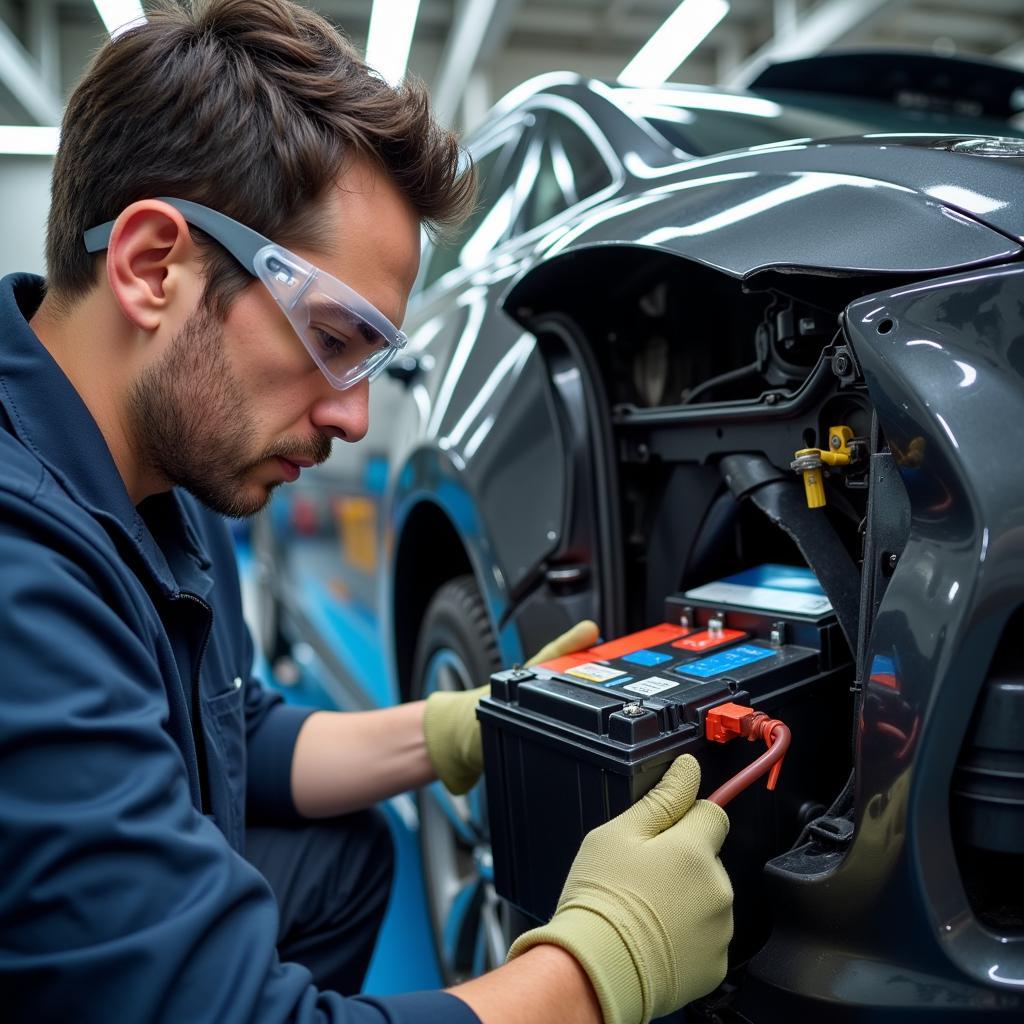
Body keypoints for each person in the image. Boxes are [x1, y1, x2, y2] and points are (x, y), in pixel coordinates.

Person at [0, 1, 733, 1021]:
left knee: (339, 860)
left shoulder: (160, 468)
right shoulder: (18, 574)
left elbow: (229, 735)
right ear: (151, 265)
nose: (354, 416)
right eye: (333, 337)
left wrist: (457, 724)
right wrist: (598, 966)